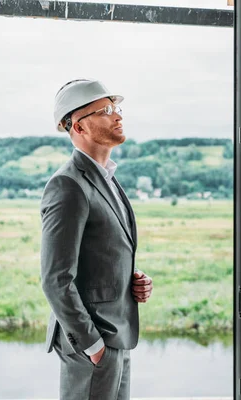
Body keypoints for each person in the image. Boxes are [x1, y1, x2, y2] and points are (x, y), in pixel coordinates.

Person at [41, 79, 153, 400]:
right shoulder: (67, 185)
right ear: (79, 126)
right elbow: (55, 279)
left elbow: (102, 252)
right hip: (93, 341)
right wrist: (93, 346)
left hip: (116, 335)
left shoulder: (107, 179)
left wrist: (131, 280)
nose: (117, 116)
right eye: (105, 110)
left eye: (116, 108)